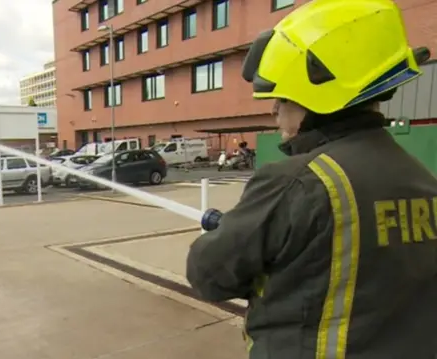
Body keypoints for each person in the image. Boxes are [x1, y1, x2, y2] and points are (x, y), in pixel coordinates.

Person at [186, 0, 437, 358]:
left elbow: (209, 275)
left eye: (282, 100)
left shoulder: (297, 181)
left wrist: (236, 235)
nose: (275, 113)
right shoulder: (423, 180)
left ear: (314, 98)